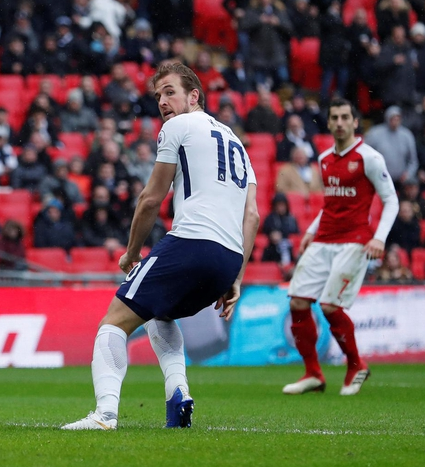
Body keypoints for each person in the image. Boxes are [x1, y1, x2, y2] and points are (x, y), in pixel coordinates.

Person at [62, 62, 259, 431]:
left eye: (170, 92)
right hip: (228, 259)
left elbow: (151, 198)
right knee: (160, 313)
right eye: (158, 96)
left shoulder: (177, 127)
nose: (163, 102)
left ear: (194, 96)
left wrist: (132, 252)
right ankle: (178, 395)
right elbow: (252, 217)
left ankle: (104, 415)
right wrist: (237, 276)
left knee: (113, 323)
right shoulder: (237, 144)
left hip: (192, 242)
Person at [283, 98, 398, 397]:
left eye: (345, 117)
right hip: (324, 239)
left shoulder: (369, 158)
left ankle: (356, 364)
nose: (339, 123)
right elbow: (331, 204)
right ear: (330, 122)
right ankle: (313, 373)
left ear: (355, 122)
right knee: (297, 301)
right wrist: (310, 231)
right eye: (334, 117)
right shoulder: (324, 159)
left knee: (331, 305)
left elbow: (391, 200)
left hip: (355, 240)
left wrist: (379, 238)